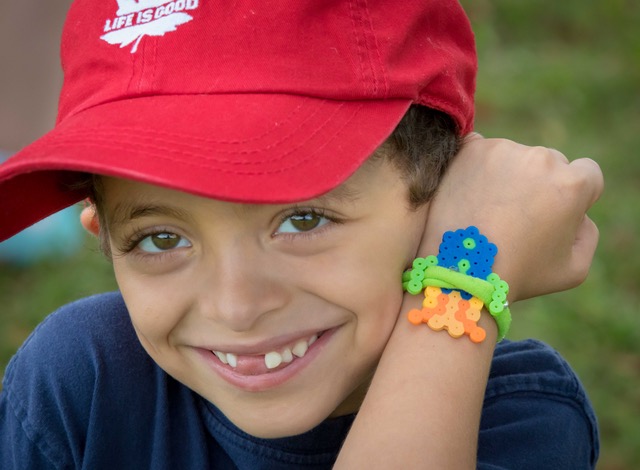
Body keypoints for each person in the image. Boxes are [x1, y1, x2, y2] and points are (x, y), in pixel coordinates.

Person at [0, 0, 603, 468]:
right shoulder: (82, 381)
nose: (236, 307)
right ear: (104, 236)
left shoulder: (523, 417)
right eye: (160, 239)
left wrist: (460, 281)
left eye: (303, 220)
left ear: (442, 202)